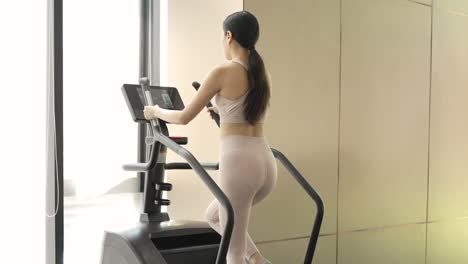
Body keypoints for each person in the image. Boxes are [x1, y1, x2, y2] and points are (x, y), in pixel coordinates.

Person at [144, 10, 277, 264]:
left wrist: (155, 111)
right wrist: (222, 111)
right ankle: (258, 259)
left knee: (233, 252)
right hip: (265, 163)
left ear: (229, 36)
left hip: (240, 165)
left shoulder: (223, 71)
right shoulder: (262, 74)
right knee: (215, 217)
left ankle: (254, 259)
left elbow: (183, 117)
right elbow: (247, 115)